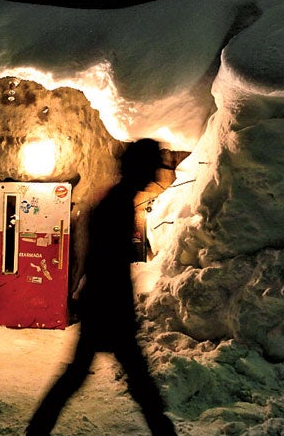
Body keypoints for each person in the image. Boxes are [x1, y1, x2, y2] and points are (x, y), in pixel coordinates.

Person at [26, 138, 177, 436]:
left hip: (102, 303)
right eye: (152, 167)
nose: (156, 175)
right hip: (108, 306)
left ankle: (37, 430)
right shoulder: (118, 203)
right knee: (130, 378)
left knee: (83, 375)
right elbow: (108, 262)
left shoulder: (116, 198)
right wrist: (119, 308)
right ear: (140, 168)